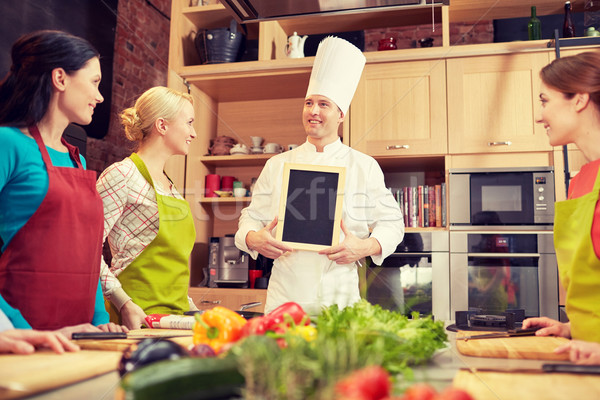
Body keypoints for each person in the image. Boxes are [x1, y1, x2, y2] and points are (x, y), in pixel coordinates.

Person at [235, 37, 404, 315]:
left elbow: (392, 224)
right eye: (308, 103)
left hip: (338, 297)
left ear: (340, 114)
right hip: (285, 295)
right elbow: (251, 217)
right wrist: (253, 238)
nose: (313, 111)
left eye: (323, 104)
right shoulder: (277, 164)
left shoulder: (364, 166)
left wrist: (363, 247)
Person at [0, 30, 125, 336]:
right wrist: (16, 329)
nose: (100, 96)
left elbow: (86, 257)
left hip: (79, 338)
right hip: (23, 340)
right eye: (94, 82)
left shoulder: (76, 160)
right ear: (60, 78)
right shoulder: (7, 143)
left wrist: (98, 322)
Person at [97, 86, 198, 329]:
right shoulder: (121, 175)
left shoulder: (170, 185)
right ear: (162, 126)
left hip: (174, 320)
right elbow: (87, 250)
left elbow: (172, 268)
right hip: (135, 319)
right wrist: (124, 303)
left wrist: (194, 311)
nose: (193, 133)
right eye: (189, 123)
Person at [522, 51, 600, 352]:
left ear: (579, 100)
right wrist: (570, 328)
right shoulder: (581, 181)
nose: (539, 116)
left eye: (545, 101)